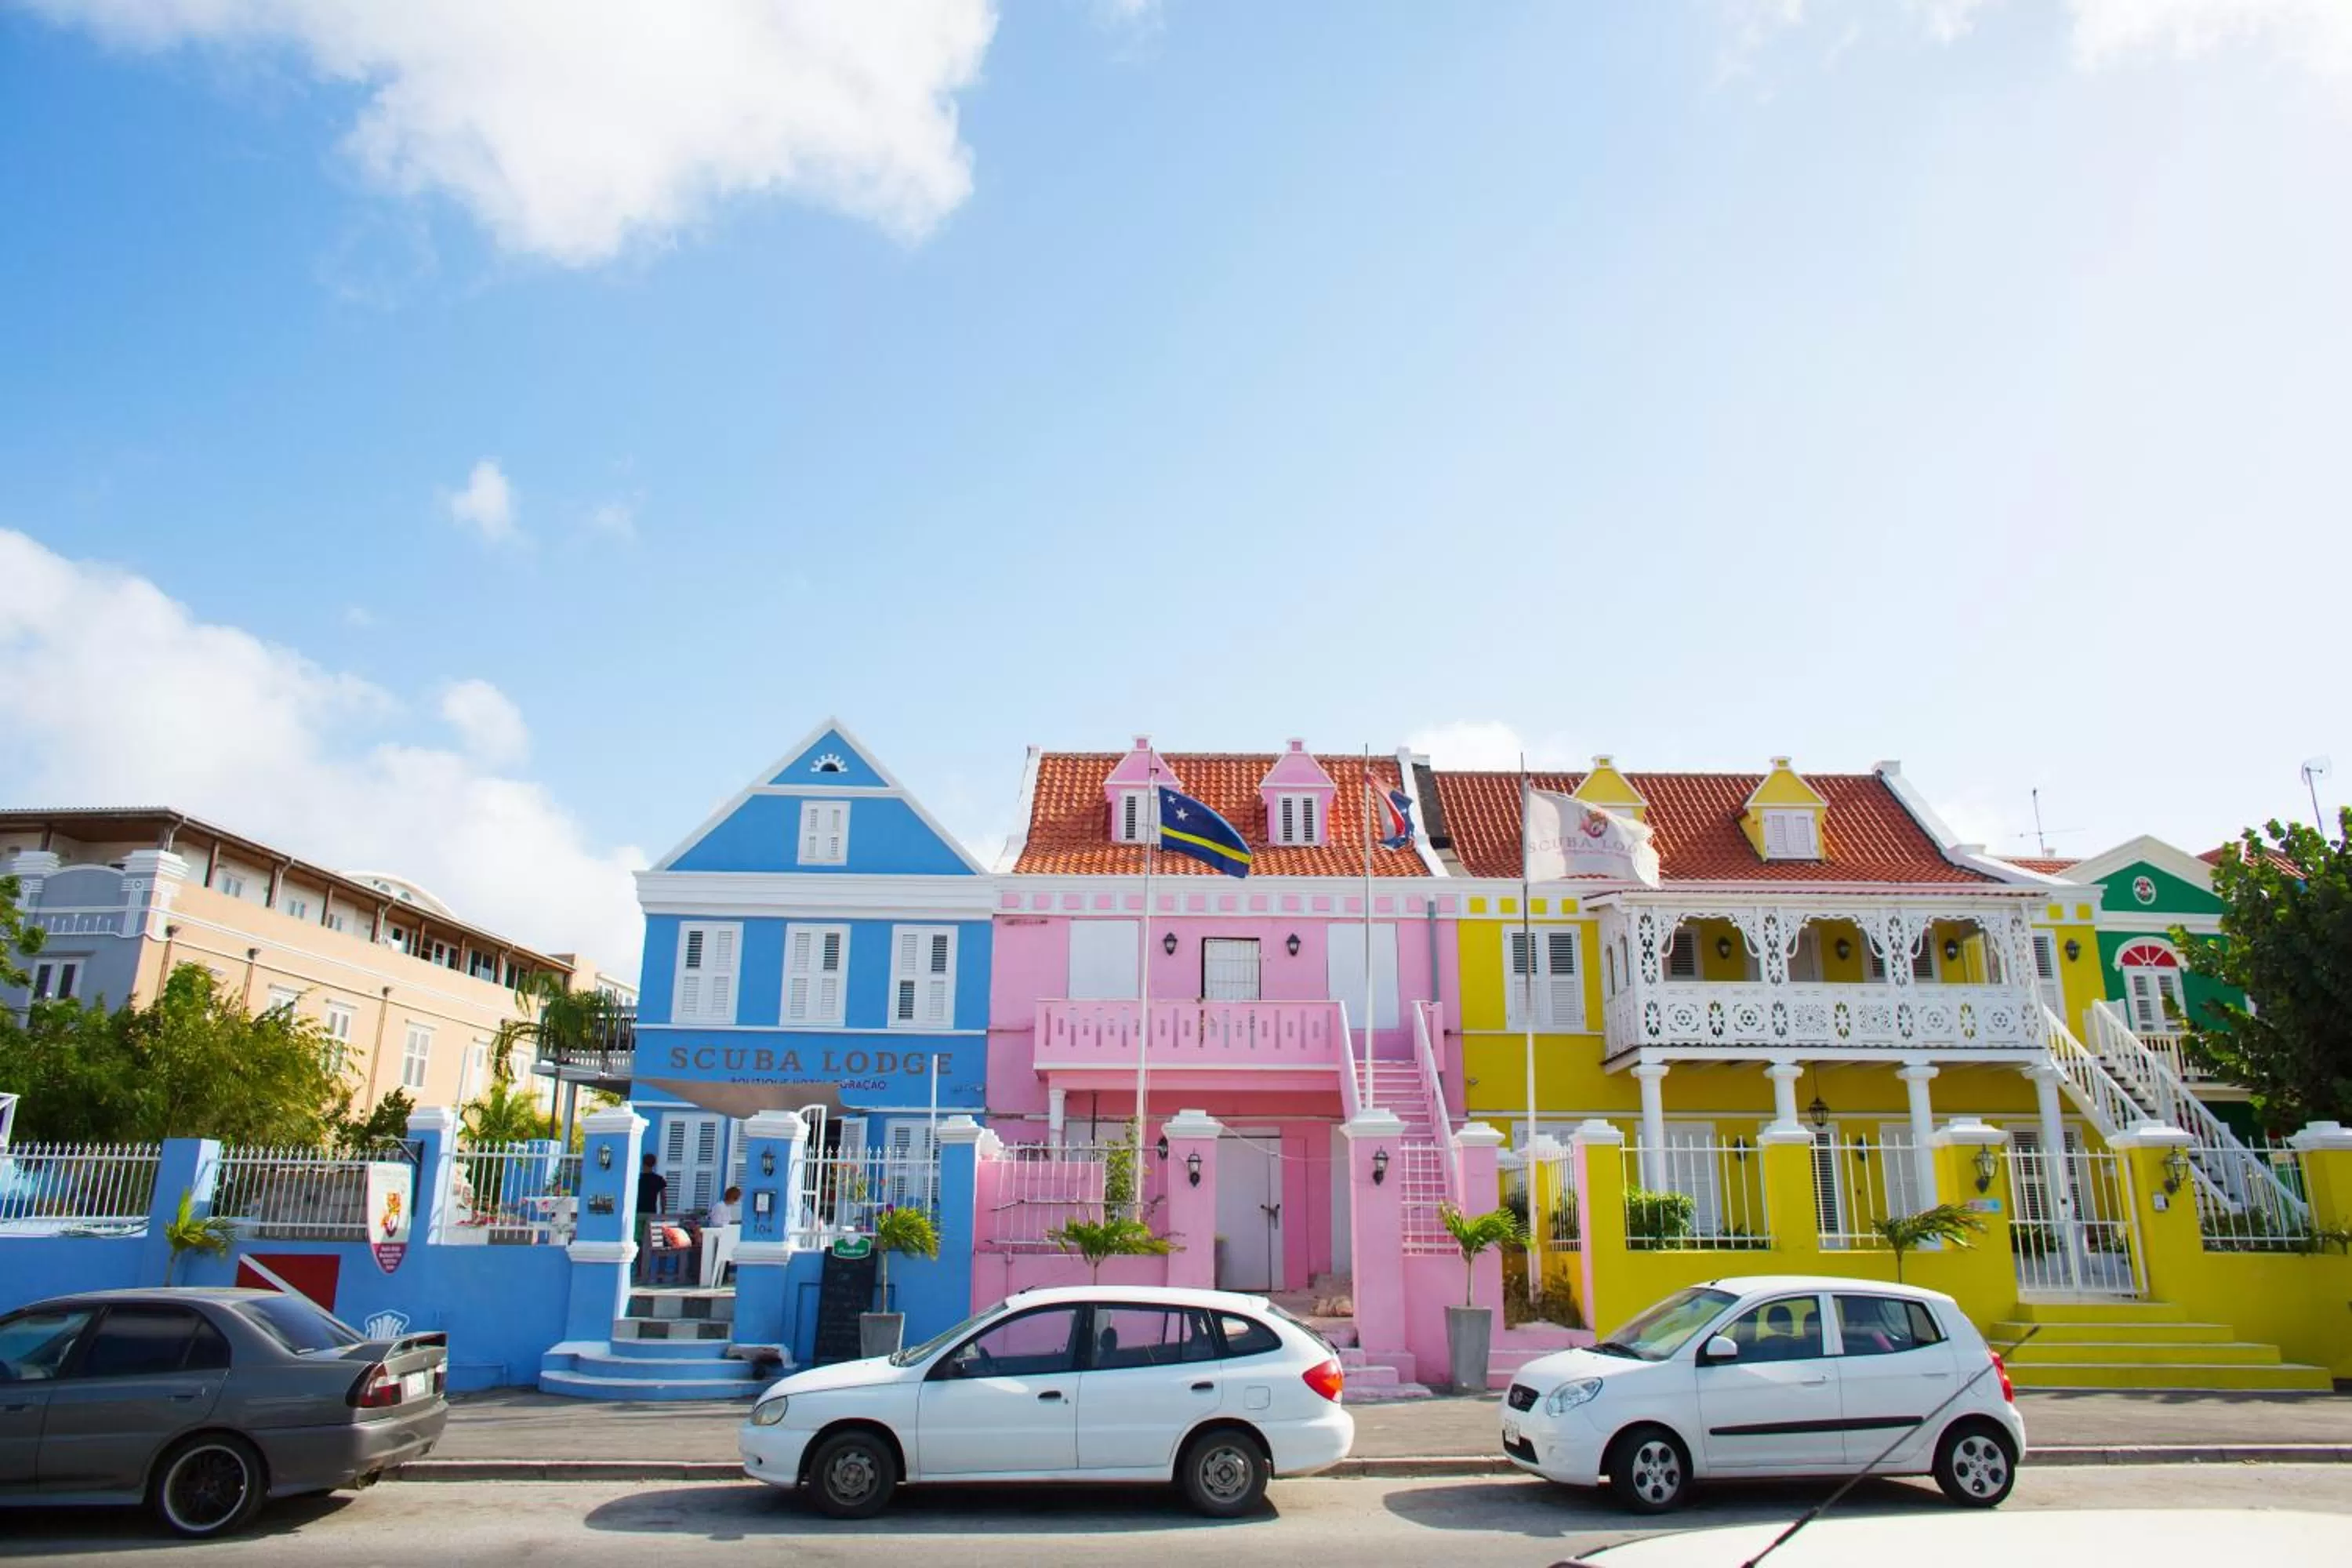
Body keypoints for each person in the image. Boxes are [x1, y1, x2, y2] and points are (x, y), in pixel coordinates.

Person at [635, 1152, 670, 1283]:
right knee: (649, 1243)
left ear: (643, 1163)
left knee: (638, 1243)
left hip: (638, 1214)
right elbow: (663, 1198)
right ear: (654, 1164)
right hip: (651, 1214)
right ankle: (647, 1270)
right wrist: (663, 1213)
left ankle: (640, 1271)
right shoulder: (659, 1180)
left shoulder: (637, 1178)